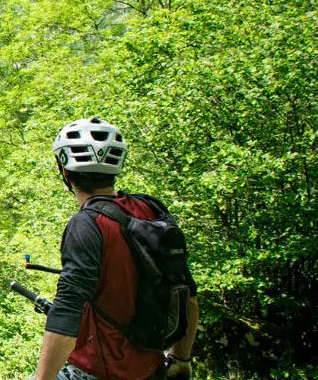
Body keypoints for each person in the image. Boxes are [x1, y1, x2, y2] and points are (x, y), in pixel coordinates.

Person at [32, 118, 200, 380]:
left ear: (65, 171)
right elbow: (188, 295)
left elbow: (67, 312)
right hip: (152, 370)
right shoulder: (152, 210)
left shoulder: (86, 224)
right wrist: (181, 358)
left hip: (95, 371)